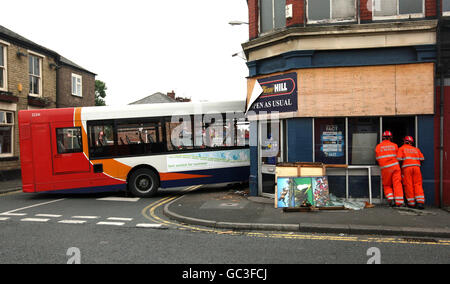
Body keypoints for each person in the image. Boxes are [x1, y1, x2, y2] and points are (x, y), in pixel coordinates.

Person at [375, 131, 404, 207]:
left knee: (387, 185)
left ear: (382, 138)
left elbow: (377, 159)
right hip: (395, 167)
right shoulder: (395, 145)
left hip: (385, 168)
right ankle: (399, 202)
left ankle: (391, 200)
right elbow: (398, 157)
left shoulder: (378, 146)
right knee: (397, 183)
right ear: (391, 138)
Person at [397, 136, 425, 209]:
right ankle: (420, 202)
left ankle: (411, 203)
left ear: (404, 141)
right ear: (411, 142)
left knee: (408, 185)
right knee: (418, 184)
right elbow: (422, 158)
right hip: (416, 168)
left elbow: (399, 159)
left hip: (407, 168)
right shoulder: (416, 149)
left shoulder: (401, 148)